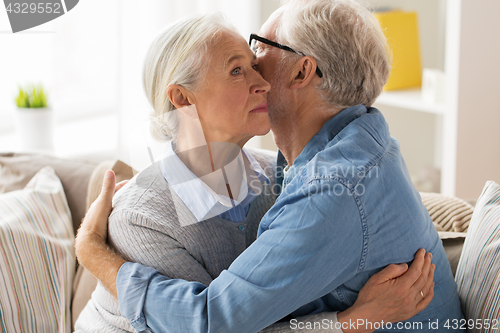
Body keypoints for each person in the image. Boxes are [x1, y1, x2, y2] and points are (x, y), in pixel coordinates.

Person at [75, 0, 458, 331]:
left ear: (301, 72)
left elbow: (216, 321)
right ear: (181, 97)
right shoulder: (355, 145)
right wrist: (351, 322)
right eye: (239, 68)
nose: (258, 75)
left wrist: (91, 251)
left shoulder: (320, 188)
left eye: (259, 51)